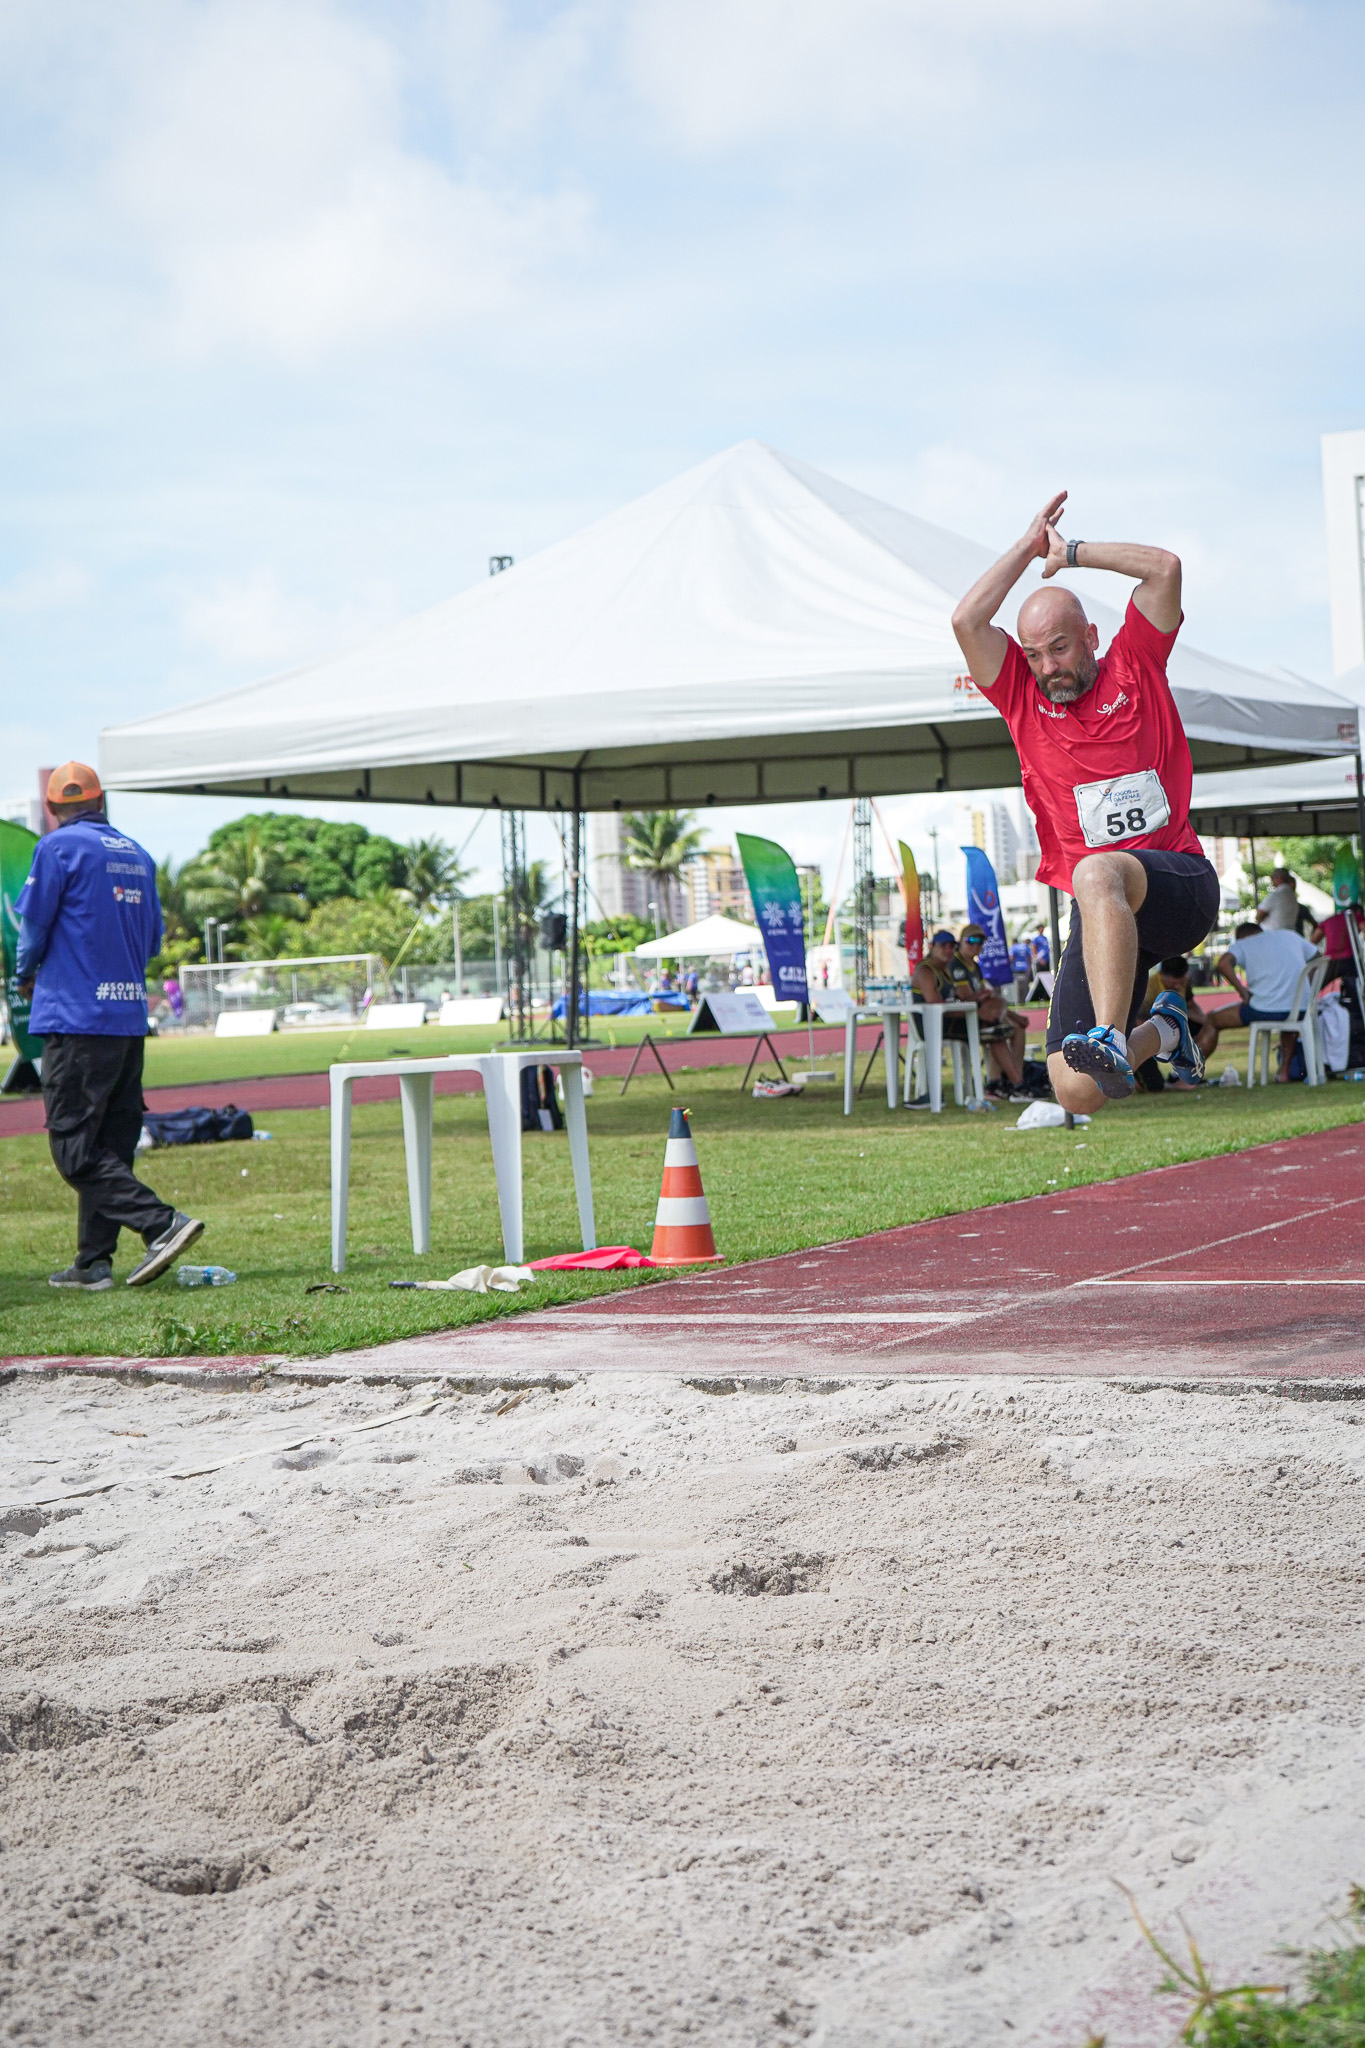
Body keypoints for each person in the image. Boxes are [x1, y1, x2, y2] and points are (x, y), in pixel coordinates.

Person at [951, 491, 1218, 1111]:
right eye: (1034, 654)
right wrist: (1027, 547)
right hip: (1103, 917)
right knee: (1075, 1089)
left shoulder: (1136, 663)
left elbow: (1165, 569)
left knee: (1096, 870)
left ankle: (1110, 1037)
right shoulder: (1021, 697)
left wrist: (1069, 553)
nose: (1048, 667)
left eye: (1060, 647)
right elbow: (966, 622)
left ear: (1091, 637)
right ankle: (1165, 1029)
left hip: (1177, 887)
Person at [15, 762, 205, 1289]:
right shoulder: (139, 855)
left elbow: (33, 929)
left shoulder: (56, 848)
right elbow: (152, 941)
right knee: (109, 1144)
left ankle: (161, 1224)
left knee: (74, 1148)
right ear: (100, 802)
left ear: (52, 809)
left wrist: (24, 976)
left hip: (76, 1019)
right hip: (126, 1019)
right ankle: (93, 1262)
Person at [911, 928, 1028, 1101]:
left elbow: (960, 999)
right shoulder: (927, 970)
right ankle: (1013, 1084)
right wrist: (977, 1009)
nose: (948, 950)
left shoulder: (945, 970)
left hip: (949, 1021)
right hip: (934, 1026)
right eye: (943, 946)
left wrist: (980, 1003)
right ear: (932, 947)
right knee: (994, 1029)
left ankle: (1010, 1082)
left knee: (998, 1026)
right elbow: (935, 1005)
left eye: (951, 946)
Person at [1216, 921, 1321, 1082]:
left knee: (1213, 1019)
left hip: (1264, 1010)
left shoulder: (1244, 943)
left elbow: (1223, 964)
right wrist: (1308, 985)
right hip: (1300, 1008)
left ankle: (1189, 1074)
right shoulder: (1289, 935)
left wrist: (1243, 992)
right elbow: (1318, 958)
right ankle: (1284, 1071)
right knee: (1290, 1018)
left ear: (1241, 937)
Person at [953, 924, 1029, 1097]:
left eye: (980, 942)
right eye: (971, 940)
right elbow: (967, 997)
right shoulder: (956, 964)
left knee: (1016, 1028)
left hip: (981, 1014)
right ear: (961, 941)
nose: (975, 945)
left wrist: (1014, 1016)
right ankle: (1011, 1083)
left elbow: (984, 997)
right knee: (997, 1031)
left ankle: (1012, 1078)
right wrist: (984, 996)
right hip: (963, 1018)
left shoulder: (975, 967)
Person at [1135, 955, 1222, 1091]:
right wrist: (1161, 1044)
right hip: (1145, 1028)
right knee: (1154, 1086)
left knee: (1204, 1029)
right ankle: (1139, 1076)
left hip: (1171, 1024)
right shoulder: (1149, 989)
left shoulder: (1183, 982)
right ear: (1162, 975)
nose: (1177, 986)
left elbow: (1191, 1007)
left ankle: (1184, 1071)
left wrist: (1207, 1025)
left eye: (1179, 982)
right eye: (1174, 983)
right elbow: (1139, 1022)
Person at [1255, 866, 1300, 931]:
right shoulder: (1292, 895)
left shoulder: (1276, 895)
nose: (1271, 880)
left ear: (1280, 878)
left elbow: (1259, 915)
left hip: (1272, 932)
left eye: (1273, 877)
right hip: (1288, 932)